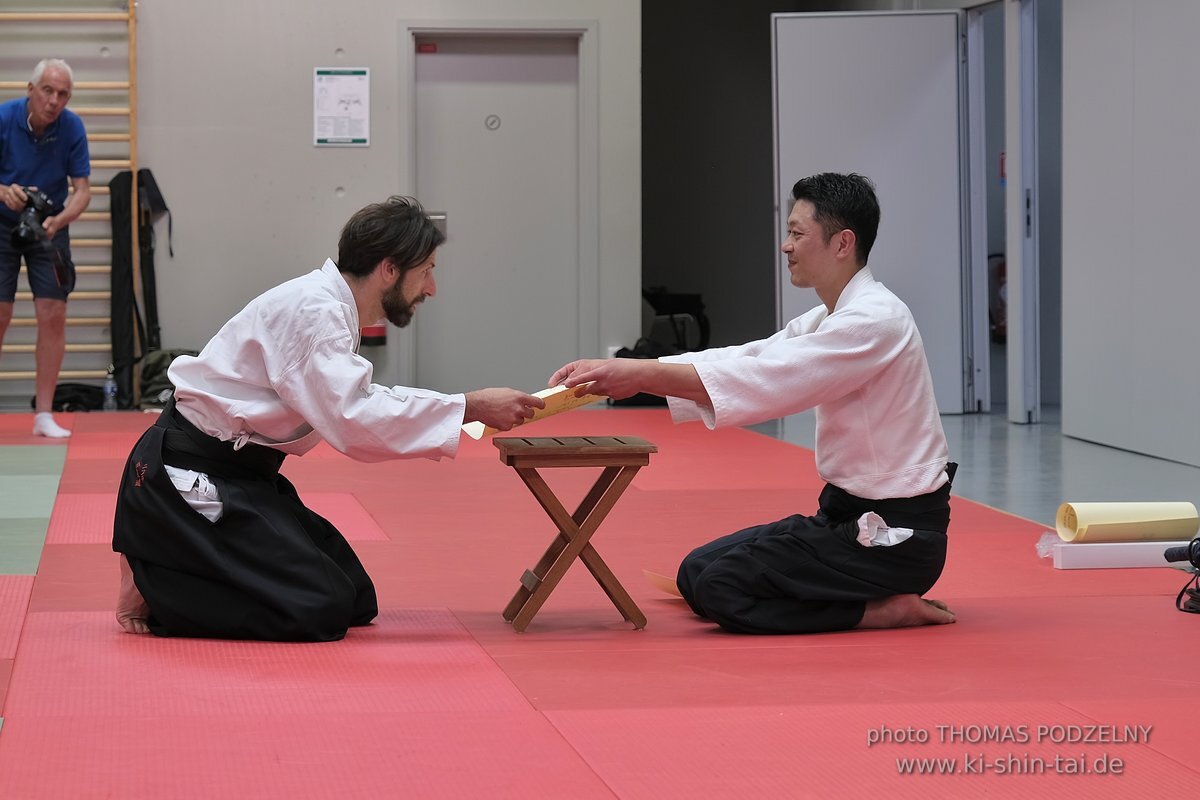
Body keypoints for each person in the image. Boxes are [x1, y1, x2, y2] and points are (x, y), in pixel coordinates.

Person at [112, 196, 545, 642]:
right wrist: (467, 406)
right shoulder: (314, 313)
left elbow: (357, 398)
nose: (432, 287)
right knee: (317, 606)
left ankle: (172, 551)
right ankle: (155, 570)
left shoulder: (330, 309)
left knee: (355, 596)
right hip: (183, 474)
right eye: (428, 270)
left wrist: (462, 407)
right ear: (390, 269)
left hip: (240, 471)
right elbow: (351, 417)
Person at [550, 172, 957, 635]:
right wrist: (641, 373)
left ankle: (878, 611)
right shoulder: (833, 315)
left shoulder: (874, 320)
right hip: (841, 515)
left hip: (895, 540)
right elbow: (755, 355)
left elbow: (771, 378)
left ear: (843, 243)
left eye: (797, 234)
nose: (786, 246)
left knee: (719, 588)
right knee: (695, 572)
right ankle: (856, 594)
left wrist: (641, 374)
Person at [0, 58, 91, 438]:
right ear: (30, 89)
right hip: (2, 223)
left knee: (52, 314)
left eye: (63, 94)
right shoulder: (4, 117)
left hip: (50, 226)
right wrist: (3, 192)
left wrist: (60, 220)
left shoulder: (72, 127)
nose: (54, 101)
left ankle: (44, 414)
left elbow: (82, 191)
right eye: (48, 91)